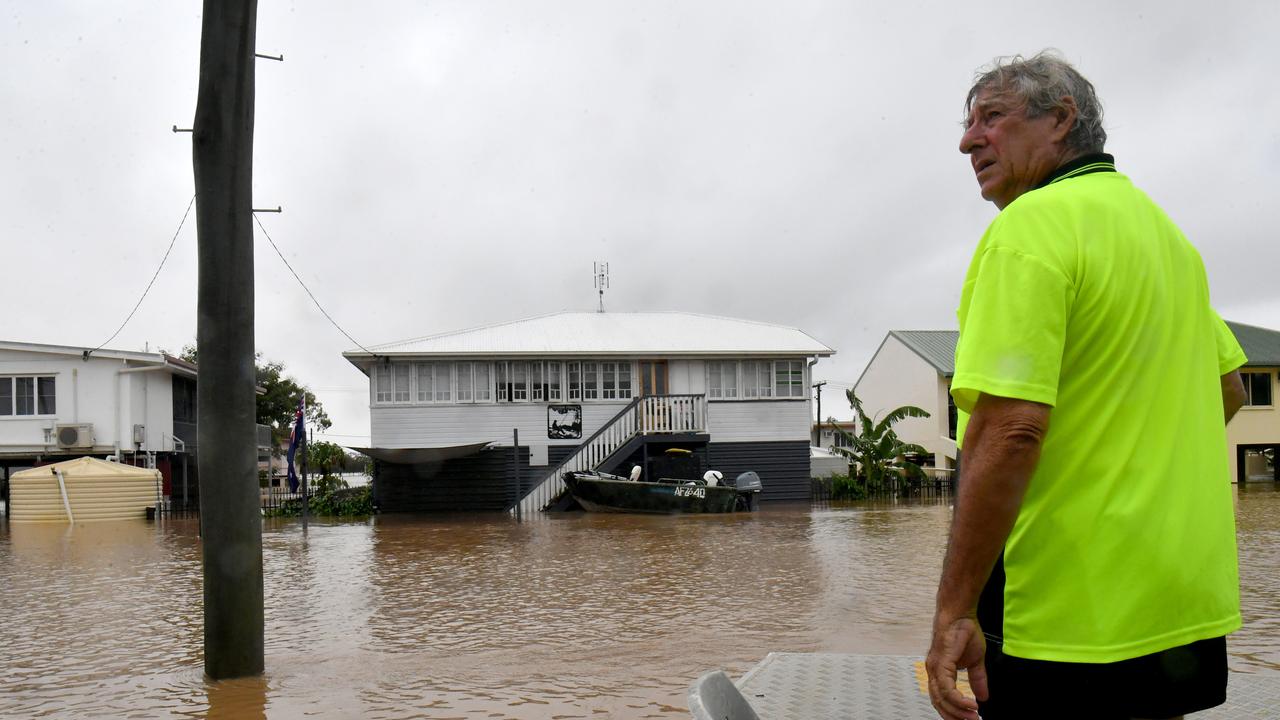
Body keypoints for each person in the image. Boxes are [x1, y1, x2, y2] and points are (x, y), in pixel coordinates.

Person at [925, 52, 1248, 720]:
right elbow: (1230, 390)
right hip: (1177, 610)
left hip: (1068, 620)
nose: (967, 139)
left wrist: (955, 611)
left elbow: (1011, 429)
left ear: (1061, 120)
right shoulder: (1168, 239)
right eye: (967, 123)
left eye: (992, 118)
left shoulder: (1031, 229)